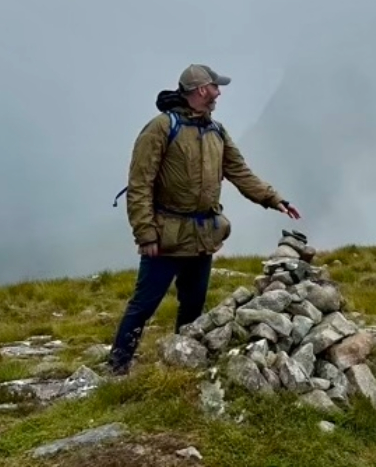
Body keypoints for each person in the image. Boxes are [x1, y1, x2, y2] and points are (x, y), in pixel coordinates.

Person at [107, 63, 300, 375]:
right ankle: (117, 367)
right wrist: (146, 234)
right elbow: (140, 183)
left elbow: (240, 172)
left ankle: (183, 363)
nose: (219, 93)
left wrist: (273, 198)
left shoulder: (216, 131)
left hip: (203, 236)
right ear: (200, 90)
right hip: (166, 237)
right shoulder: (160, 128)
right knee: (143, 306)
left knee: (194, 307)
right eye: (214, 87)